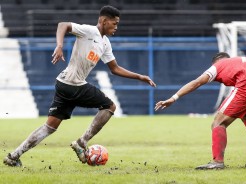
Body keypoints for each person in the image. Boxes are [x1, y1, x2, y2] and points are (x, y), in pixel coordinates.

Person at [3, 5, 156, 167]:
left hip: (64, 85)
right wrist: (60, 46)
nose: (116, 27)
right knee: (109, 106)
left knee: (50, 127)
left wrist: (139, 76)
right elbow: (63, 25)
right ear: (104, 21)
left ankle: (14, 156)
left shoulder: (105, 44)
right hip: (73, 84)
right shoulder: (89, 31)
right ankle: (81, 142)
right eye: (114, 23)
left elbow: (115, 68)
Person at [155, 52, 246, 170]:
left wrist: (173, 98)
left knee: (218, 123)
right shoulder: (243, 62)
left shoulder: (217, 66)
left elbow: (197, 82)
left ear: (216, 61)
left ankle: (217, 162)